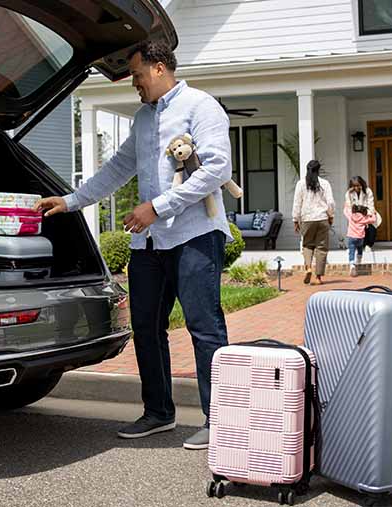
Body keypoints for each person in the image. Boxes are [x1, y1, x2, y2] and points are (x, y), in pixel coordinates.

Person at [35, 40, 231, 450]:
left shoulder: (201, 106)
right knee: (145, 327)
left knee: (204, 327)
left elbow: (216, 168)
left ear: (159, 69)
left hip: (195, 235)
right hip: (149, 244)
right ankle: (159, 413)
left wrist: (157, 208)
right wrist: (70, 201)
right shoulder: (143, 119)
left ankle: (221, 421)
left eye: (138, 75)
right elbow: (117, 169)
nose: (135, 85)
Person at [293, 160, 335, 285]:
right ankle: (318, 278)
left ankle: (308, 268)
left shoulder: (301, 184)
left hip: (307, 219)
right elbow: (330, 202)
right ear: (318, 169)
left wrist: (295, 219)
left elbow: (297, 203)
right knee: (321, 248)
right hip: (322, 218)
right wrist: (331, 216)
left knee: (307, 245)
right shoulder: (324, 183)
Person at [345, 175, 380, 248]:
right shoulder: (349, 193)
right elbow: (348, 206)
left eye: (358, 186)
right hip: (355, 215)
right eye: (354, 186)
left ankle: (368, 245)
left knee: (371, 225)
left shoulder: (368, 191)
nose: (356, 188)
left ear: (362, 184)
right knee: (355, 227)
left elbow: (371, 205)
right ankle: (358, 245)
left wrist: (367, 212)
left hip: (366, 212)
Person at [343, 203, 376, 277]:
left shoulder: (351, 216)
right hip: (360, 238)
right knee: (360, 248)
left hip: (351, 237)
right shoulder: (364, 218)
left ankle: (352, 264)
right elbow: (373, 220)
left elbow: (345, 211)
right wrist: (373, 213)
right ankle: (359, 258)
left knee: (351, 251)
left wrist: (346, 206)